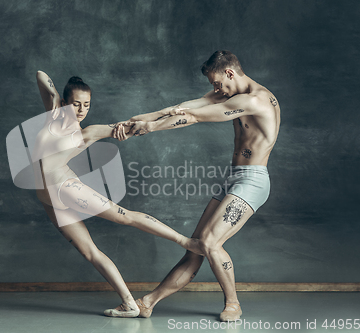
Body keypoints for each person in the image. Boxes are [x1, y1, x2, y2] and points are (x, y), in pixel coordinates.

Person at [114, 50, 281, 321]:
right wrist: (137, 120)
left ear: (230, 73)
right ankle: (148, 303)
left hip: (253, 181)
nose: (215, 90)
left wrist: (151, 128)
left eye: (217, 84)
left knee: (209, 242)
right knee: (195, 246)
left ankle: (233, 304)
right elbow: (181, 107)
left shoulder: (255, 100)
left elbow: (194, 116)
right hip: (233, 178)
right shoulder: (231, 94)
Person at [32, 71, 203, 318]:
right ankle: (130, 304)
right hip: (47, 199)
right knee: (89, 251)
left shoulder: (87, 131)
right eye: (76, 104)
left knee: (124, 216)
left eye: (87, 105)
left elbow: (131, 127)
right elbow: (41, 76)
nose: (81, 110)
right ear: (66, 103)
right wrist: (56, 99)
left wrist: (162, 115)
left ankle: (185, 242)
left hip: (65, 187)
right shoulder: (53, 115)